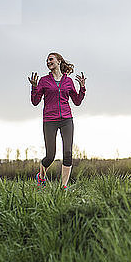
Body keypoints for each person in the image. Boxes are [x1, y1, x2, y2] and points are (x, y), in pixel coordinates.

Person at [29, 52, 86, 189]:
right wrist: (34, 87)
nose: (48, 62)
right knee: (50, 155)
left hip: (66, 119)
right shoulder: (43, 80)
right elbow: (35, 102)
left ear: (59, 61)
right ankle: (41, 176)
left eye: (51, 59)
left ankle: (64, 186)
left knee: (68, 153)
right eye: (47, 60)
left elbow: (77, 102)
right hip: (50, 120)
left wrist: (82, 88)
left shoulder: (68, 81)